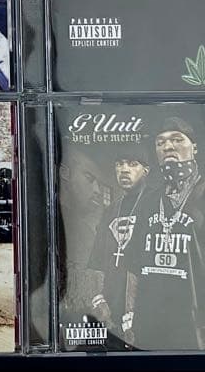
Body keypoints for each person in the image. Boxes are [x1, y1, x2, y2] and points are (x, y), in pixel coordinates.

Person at [122, 118, 205, 351]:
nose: (168, 147)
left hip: (201, 335)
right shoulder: (148, 201)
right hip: (149, 333)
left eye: (176, 140)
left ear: (194, 147)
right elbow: (134, 266)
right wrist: (130, 315)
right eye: (160, 142)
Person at [86, 146, 149, 344]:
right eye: (119, 164)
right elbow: (96, 259)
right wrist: (98, 299)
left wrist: (137, 308)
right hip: (110, 303)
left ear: (145, 170)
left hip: (145, 303)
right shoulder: (112, 209)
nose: (124, 169)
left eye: (132, 164)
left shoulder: (155, 204)